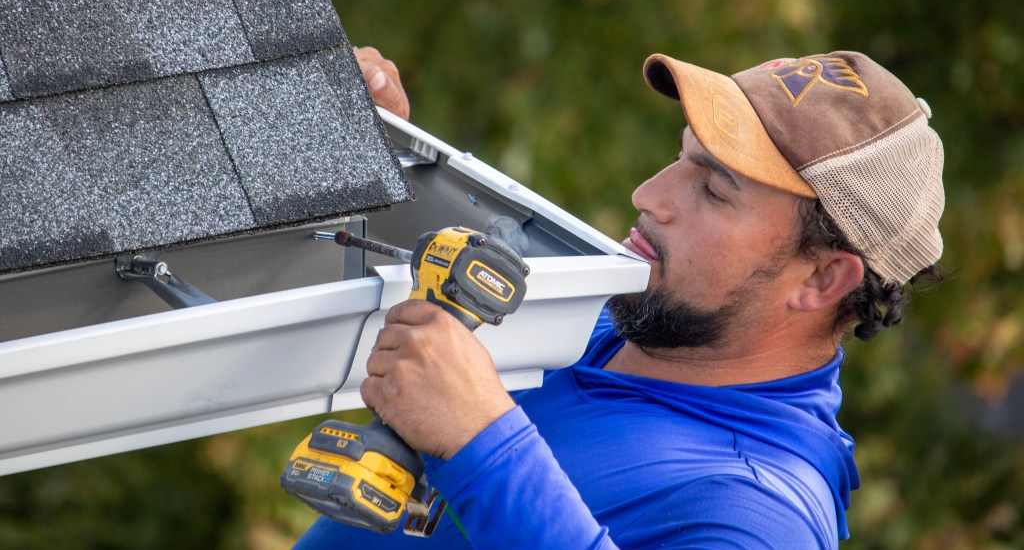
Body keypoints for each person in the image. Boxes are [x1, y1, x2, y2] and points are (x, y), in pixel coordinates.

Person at [295, 47, 945, 548]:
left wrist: (484, 445)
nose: (649, 194)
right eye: (681, 157)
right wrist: (362, 162)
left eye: (714, 190)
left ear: (821, 280)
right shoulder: (610, 325)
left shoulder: (758, 511)